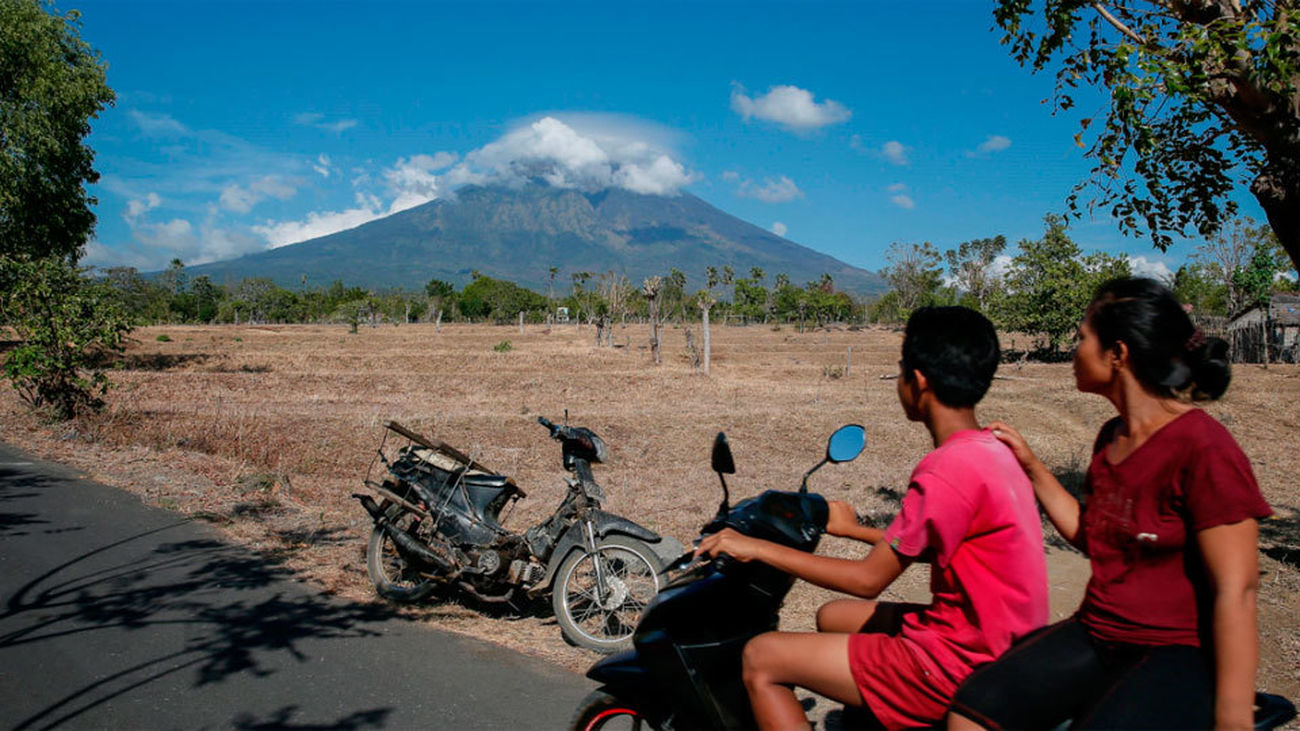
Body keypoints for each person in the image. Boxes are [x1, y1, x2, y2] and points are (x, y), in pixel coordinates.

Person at [695, 306, 1049, 730]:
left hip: (960, 657)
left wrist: (756, 547)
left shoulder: (944, 469)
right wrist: (853, 530)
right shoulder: (992, 450)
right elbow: (935, 544)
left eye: (901, 369)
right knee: (833, 616)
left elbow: (868, 581)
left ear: (918, 382)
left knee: (760, 658)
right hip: (1004, 640)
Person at [949, 277, 1273, 730]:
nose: (1075, 348)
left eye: (1083, 337)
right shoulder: (1111, 437)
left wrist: (1232, 716)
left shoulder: (1203, 447)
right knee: (972, 709)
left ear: (1117, 354)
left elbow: (1237, 590)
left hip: (1176, 651)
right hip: (1097, 632)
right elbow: (1091, 534)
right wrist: (1031, 466)